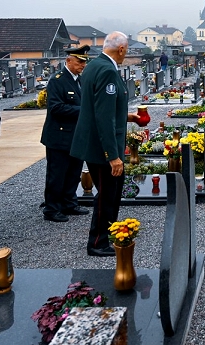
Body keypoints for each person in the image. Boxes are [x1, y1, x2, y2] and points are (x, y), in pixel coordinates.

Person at [70, 32, 140, 257]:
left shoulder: (94, 65)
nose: (125, 54)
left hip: (95, 141)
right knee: (107, 195)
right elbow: (102, 115)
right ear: (121, 49)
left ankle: (109, 234)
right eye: (126, 50)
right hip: (102, 147)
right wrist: (112, 156)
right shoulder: (108, 70)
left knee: (112, 191)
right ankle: (98, 242)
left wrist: (126, 117)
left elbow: (100, 106)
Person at [40, 45, 91, 222]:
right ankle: (52, 209)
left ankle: (69, 203)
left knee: (73, 171)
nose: (83, 65)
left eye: (84, 62)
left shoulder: (80, 80)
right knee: (57, 174)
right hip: (59, 135)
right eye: (79, 61)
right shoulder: (58, 80)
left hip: (76, 135)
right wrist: (83, 110)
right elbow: (56, 107)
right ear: (68, 61)